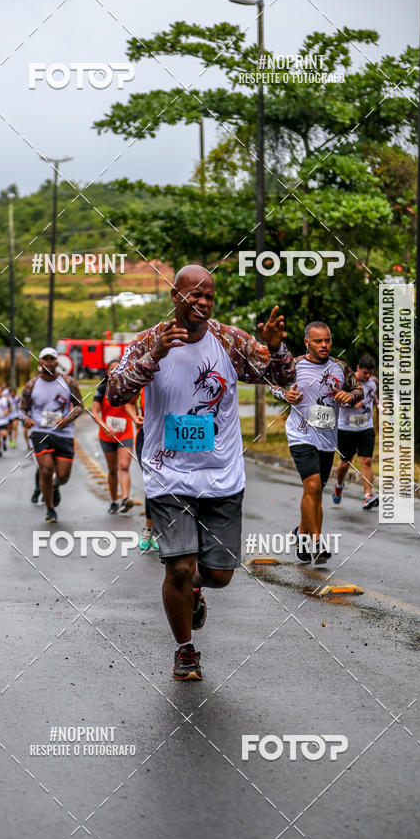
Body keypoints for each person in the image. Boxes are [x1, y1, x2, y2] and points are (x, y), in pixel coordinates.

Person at [107, 264, 295, 681]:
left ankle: (195, 590)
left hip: (222, 474)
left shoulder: (228, 341)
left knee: (219, 575)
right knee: (177, 565)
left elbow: (281, 378)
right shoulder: (147, 342)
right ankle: (185, 649)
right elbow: (115, 391)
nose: (204, 303)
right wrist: (154, 357)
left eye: (210, 296)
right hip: (167, 475)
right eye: (195, 295)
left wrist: (278, 349)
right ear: (175, 296)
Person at [272, 322, 362, 566]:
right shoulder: (294, 366)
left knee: (314, 491)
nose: (324, 345)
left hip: (326, 438)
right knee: (312, 485)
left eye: (327, 341)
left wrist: (349, 396)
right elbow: (275, 386)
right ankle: (317, 543)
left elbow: (358, 390)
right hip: (300, 435)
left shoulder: (340, 368)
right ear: (307, 342)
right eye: (318, 341)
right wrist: (285, 395)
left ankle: (301, 534)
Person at [20, 347, 84, 523]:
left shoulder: (68, 382)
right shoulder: (31, 385)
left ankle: (55, 486)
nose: (48, 362)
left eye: (52, 359)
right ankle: (50, 509)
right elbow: (21, 410)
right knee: (46, 469)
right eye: (45, 359)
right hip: (40, 432)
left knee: (63, 476)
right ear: (39, 362)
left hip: (64, 433)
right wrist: (26, 420)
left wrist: (67, 419)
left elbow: (80, 406)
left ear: (57, 362)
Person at [333, 354, 379, 509]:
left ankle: (367, 496)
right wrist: (352, 404)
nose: (368, 376)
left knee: (366, 460)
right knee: (345, 463)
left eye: (370, 373)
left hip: (365, 427)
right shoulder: (348, 382)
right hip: (346, 428)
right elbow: (337, 401)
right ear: (358, 368)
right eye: (365, 373)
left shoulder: (373, 382)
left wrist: (379, 405)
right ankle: (339, 485)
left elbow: (373, 396)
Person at [92, 360, 137, 515]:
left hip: (125, 433)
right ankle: (114, 501)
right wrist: (105, 427)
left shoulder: (129, 388)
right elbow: (94, 412)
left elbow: (134, 405)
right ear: (107, 373)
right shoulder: (102, 389)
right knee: (112, 470)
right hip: (107, 435)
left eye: (119, 368)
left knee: (123, 466)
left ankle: (125, 499)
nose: (116, 371)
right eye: (113, 369)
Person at [134, 388, 159, 551]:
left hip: (170, 438)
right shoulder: (144, 378)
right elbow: (129, 403)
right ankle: (149, 529)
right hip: (147, 438)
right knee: (153, 483)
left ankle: (160, 530)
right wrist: (135, 418)